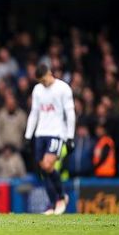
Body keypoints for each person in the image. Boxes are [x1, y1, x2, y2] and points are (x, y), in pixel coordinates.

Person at [24, 64, 76, 215]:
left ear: (49, 73)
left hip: (56, 133)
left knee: (47, 165)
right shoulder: (38, 90)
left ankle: (61, 196)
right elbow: (34, 113)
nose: (43, 83)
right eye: (40, 81)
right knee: (44, 171)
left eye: (44, 80)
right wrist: (28, 136)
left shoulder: (63, 88)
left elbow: (70, 113)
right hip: (41, 133)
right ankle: (54, 204)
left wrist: (70, 137)